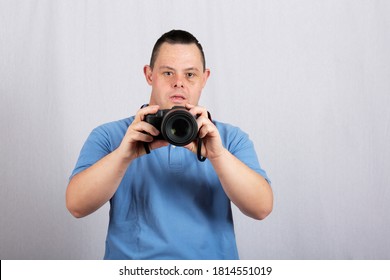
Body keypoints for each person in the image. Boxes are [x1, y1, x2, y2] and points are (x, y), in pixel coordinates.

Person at [66, 30, 273, 260]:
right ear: (149, 75)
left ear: (204, 78)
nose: (179, 83)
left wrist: (217, 155)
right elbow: (76, 205)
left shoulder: (229, 138)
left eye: (190, 75)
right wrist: (123, 155)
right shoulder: (111, 136)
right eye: (167, 73)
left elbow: (261, 208)